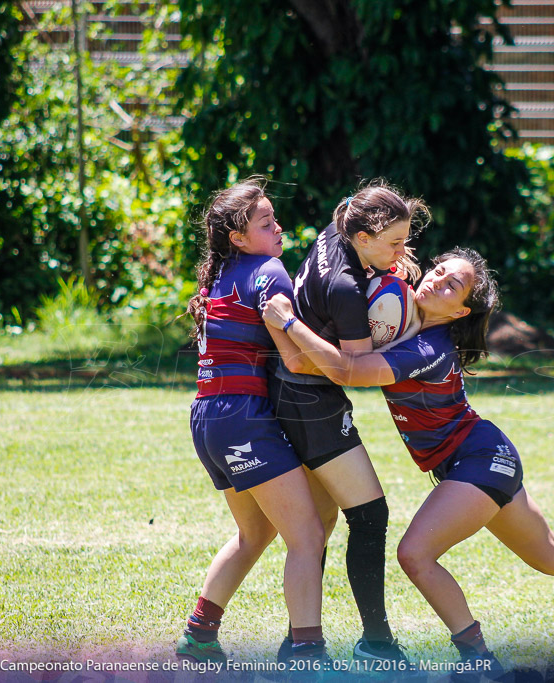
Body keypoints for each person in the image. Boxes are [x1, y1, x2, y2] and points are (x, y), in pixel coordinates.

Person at [264, 247, 554, 677]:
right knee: (551, 554)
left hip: (478, 460)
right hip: (482, 458)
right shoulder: (404, 308)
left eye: (451, 286)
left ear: (461, 310)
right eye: (439, 271)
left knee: (415, 554)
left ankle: (480, 662)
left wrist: (287, 322)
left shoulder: (430, 345)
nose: (437, 281)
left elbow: (349, 372)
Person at [266, 181, 427, 664]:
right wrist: (293, 331)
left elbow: (314, 356)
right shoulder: (346, 289)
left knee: (318, 524)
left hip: (290, 394)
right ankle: (377, 644)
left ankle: (298, 644)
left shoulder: (332, 233)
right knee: (370, 514)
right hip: (308, 404)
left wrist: (394, 269)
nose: (402, 253)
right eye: (395, 243)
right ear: (362, 237)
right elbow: (351, 371)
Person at [176, 177, 328, 663]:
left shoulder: (219, 275)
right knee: (306, 537)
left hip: (208, 418)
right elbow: (296, 359)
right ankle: (306, 655)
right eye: (266, 223)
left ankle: (200, 635)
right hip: (243, 418)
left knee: (256, 533)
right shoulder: (269, 269)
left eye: (274, 218)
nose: (277, 227)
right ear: (238, 237)